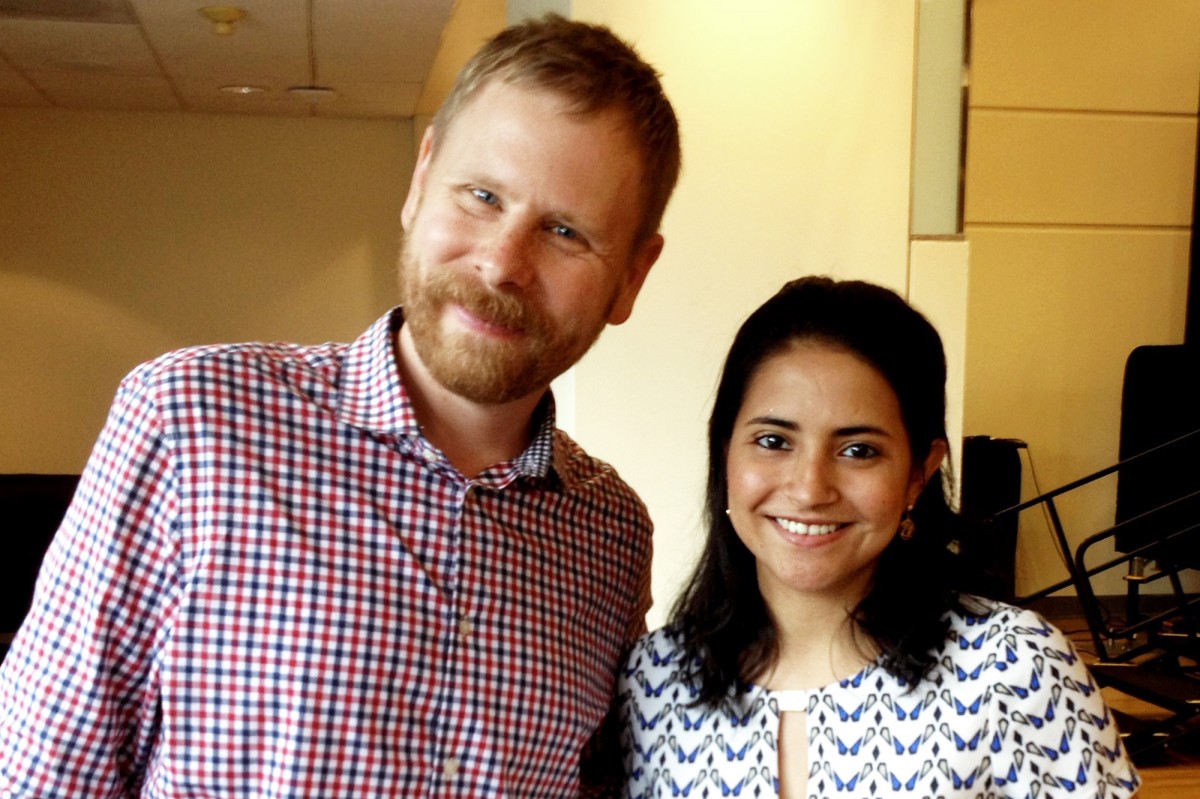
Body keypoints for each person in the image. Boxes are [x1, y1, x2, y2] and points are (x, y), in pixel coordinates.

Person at [0, 14, 680, 797]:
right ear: (422, 180)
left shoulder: (611, 534)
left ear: (632, 273)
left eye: (564, 231)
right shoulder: (190, 420)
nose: (502, 263)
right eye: (482, 195)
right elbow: (43, 776)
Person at [617, 277, 1140, 798]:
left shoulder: (1013, 668)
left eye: (859, 450)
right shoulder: (654, 679)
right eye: (774, 441)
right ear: (725, 452)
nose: (809, 488)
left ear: (919, 472)